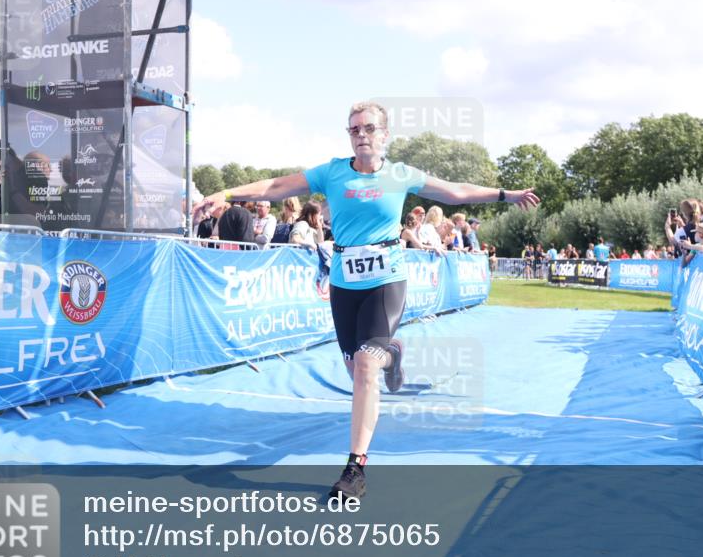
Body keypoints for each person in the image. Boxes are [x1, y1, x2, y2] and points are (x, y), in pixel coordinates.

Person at [201, 101, 539, 499]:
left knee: (364, 368)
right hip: (345, 282)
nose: (361, 135)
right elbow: (276, 187)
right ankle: (392, 353)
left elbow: (456, 191)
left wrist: (506, 194)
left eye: (369, 128)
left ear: (385, 135)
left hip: (387, 279)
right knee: (356, 368)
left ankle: (355, 468)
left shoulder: (400, 175)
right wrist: (224, 192)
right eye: (354, 129)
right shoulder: (332, 173)